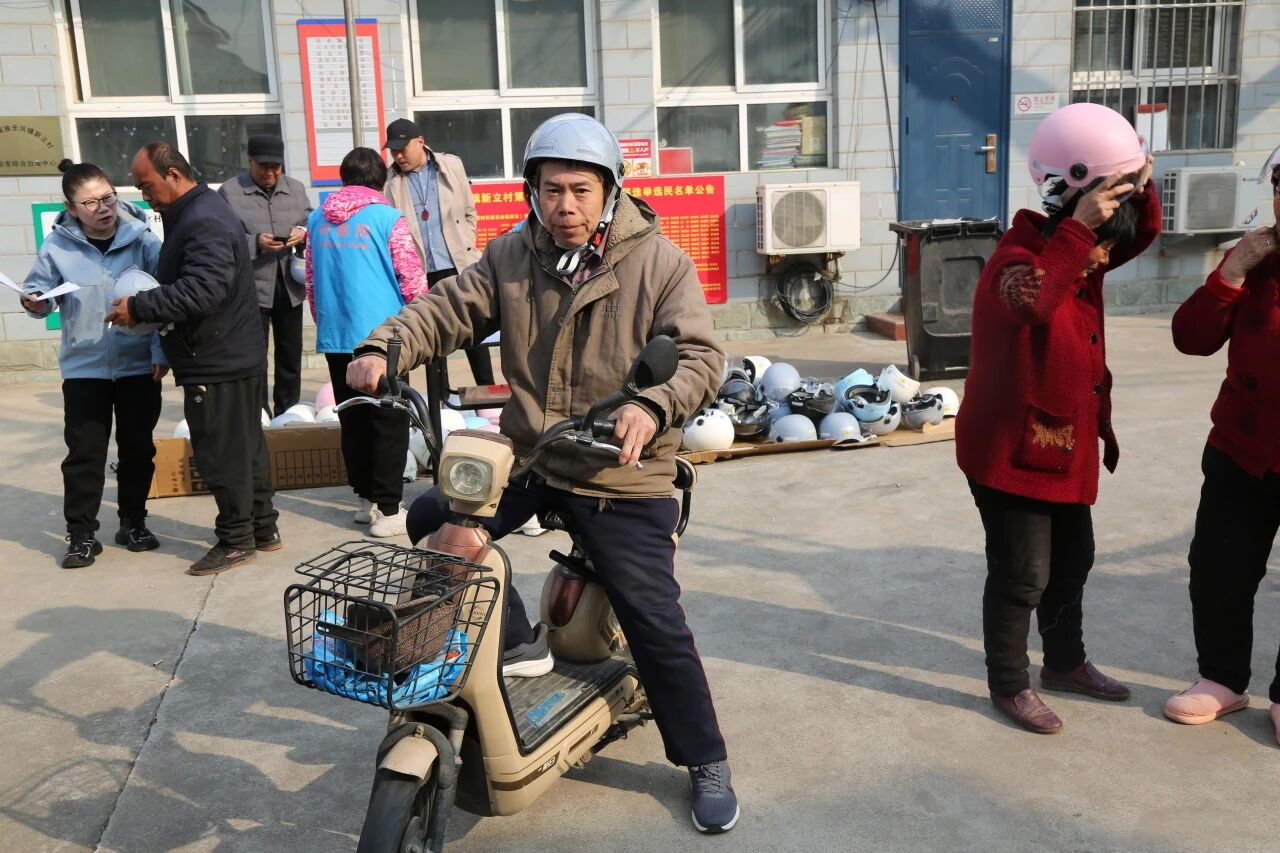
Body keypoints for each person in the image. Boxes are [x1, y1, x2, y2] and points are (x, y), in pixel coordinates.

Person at [346, 114, 739, 834]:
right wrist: (385, 346)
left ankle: (705, 758)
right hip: (535, 456)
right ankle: (519, 639)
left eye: (580, 190)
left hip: (621, 471)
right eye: (551, 190)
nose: (565, 206)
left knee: (653, 614)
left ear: (610, 191)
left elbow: (700, 359)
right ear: (533, 192)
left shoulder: (660, 265)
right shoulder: (511, 255)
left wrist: (652, 406)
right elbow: (445, 309)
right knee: (434, 520)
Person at [954, 102, 1160, 734]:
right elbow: (1036, 303)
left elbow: (1136, 236)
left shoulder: (1079, 253)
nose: (1106, 256)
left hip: (1061, 446)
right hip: (1007, 452)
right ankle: (1009, 684)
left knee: (1074, 560)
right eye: (1100, 240)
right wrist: (1078, 231)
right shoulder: (1017, 260)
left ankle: (1065, 663)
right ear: (1077, 208)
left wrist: (1139, 182)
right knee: (1023, 574)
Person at [105, 142, 278, 576]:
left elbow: (204, 290)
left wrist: (139, 306)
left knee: (220, 453)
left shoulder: (203, 220)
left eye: (147, 185)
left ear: (174, 175)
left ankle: (236, 540)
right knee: (245, 448)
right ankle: (262, 529)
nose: (145, 195)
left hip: (217, 358)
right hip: (229, 352)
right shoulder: (197, 213)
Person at [1164, 145, 1280, 744]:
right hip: (1242, 448)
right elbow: (1191, 338)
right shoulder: (1256, 259)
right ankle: (1222, 679)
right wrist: (1231, 272)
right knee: (1218, 568)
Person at [19, 159, 167, 568]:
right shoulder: (57, 246)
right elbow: (39, 291)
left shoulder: (143, 240)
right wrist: (34, 301)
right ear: (71, 208)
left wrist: (159, 352)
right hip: (84, 367)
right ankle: (82, 535)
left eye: (108, 198)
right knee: (84, 455)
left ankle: (133, 522)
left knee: (137, 448)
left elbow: (163, 299)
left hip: (139, 365)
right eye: (90, 203)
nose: (103, 208)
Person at [305, 147, 426, 537]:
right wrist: (421, 328)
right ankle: (389, 510)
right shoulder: (388, 219)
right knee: (389, 420)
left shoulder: (316, 220)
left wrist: (325, 322)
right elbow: (412, 281)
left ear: (343, 179)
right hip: (385, 338)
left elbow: (310, 280)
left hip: (336, 335)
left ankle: (365, 500)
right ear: (381, 181)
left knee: (353, 418)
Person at [381, 118, 494, 386]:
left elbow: (469, 211)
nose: (398, 156)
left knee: (473, 329)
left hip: (457, 263)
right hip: (420, 271)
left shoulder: (451, 165)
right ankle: (439, 396)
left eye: (402, 149)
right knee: (433, 334)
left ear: (420, 142)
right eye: (393, 151)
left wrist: (465, 241)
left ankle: (487, 390)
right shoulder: (390, 180)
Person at [217, 133, 312, 417]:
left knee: (290, 353)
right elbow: (221, 237)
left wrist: (302, 233)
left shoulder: (295, 189)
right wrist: (255, 242)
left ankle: (288, 412)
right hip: (251, 288)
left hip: (289, 287)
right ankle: (258, 413)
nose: (270, 173)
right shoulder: (230, 192)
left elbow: (311, 221)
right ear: (249, 161)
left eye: (276, 167)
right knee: (253, 356)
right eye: (263, 166)